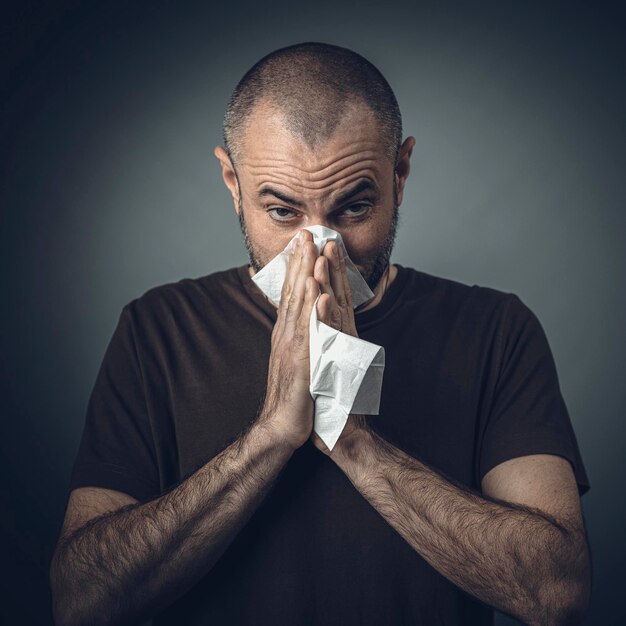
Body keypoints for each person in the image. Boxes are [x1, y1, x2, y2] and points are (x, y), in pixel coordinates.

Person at [50, 42, 591, 626]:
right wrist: (271, 436)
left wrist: (355, 443)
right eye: (282, 211)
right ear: (233, 182)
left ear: (400, 174)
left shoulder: (495, 330)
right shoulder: (157, 330)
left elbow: (556, 593)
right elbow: (80, 600)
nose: (318, 248)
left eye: (354, 208)